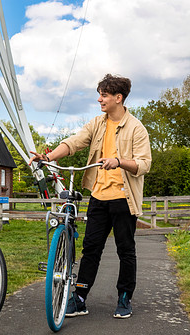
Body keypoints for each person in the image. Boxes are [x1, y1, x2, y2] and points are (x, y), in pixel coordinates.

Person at [30, 74, 152, 319]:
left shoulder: (136, 128)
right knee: (91, 249)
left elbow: (144, 164)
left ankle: (125, 297)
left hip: (123, 198)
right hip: (98, 196)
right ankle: (80, 297)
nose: (100, 99)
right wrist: (50, 156)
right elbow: (74, 142)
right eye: (100, 95)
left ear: (119, 98)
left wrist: (118, 162)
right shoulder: (97, 123)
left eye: (104, 95)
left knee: (125, 250)